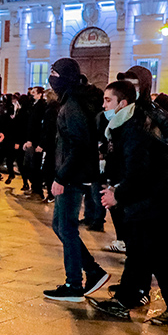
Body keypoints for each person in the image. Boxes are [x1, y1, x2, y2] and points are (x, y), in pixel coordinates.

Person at [88, 80, 168, 324]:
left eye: (107, 100)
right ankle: (128, 299)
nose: (103, 105)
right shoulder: (131, 122)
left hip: (155, 202)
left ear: (123, 103)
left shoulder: (137, 127)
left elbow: (139, 172)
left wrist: (117, 194)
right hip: (151, 200)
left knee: (156, 254)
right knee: (138, 251)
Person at [42, 58, 110, 302]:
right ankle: (92, 271)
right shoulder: (73, 100)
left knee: (67, 227)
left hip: (72, 175)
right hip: (73, 173)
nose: (51, 79)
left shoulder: (72, 104)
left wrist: (61, 176)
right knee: (60, 226)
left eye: (54, 74)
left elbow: (79, 144)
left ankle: (74, 284)